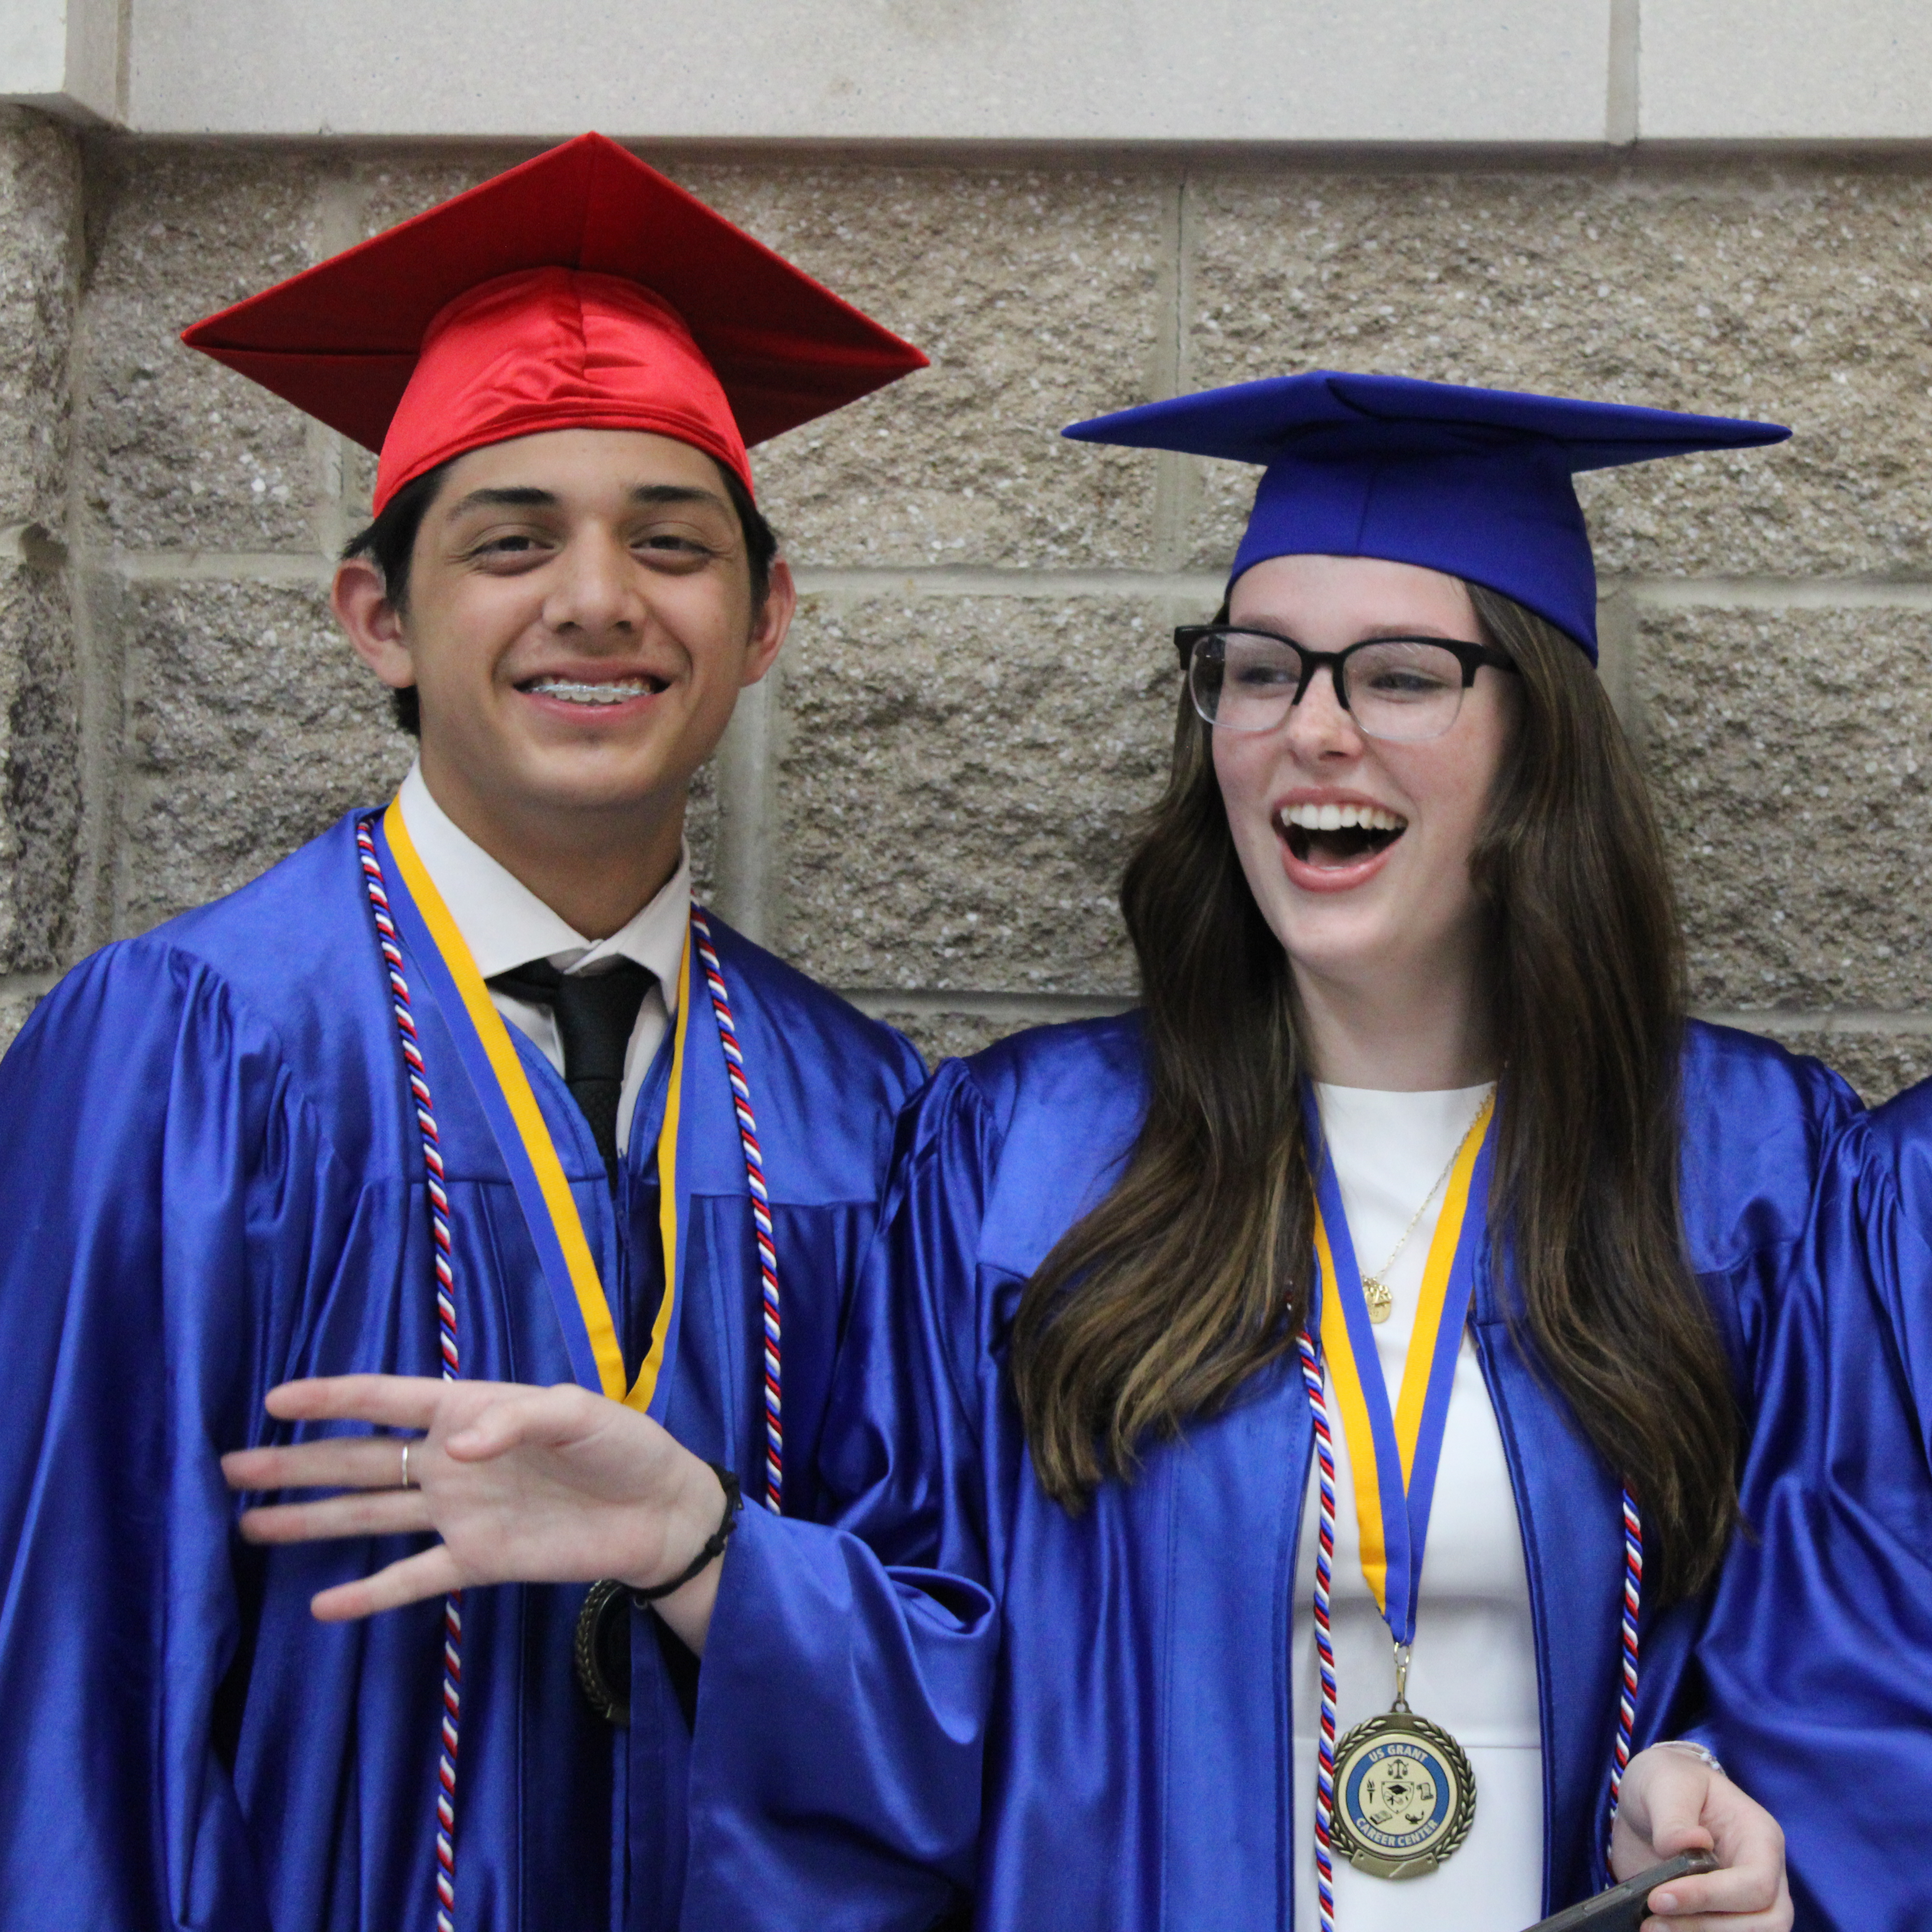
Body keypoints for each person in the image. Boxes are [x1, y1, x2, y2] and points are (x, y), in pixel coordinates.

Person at [230, 378, 1932, 1931]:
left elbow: (1838, 1648)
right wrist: (704, 1545)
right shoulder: (1019, 1162)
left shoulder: (1758, 1174)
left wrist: (1733, 1808)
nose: (1312, 730)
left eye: (1404, 674)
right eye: (1258, 672)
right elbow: (941, 1695)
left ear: (1539, 738)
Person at [0, 132, 939, 1932]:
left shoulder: (866, 1116)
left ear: (765, 620)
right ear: (380, 618)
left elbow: (951, 1655)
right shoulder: (189, 1053)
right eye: (514, 544)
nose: (598, 600)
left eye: (670, 545)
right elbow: (67, 1665)